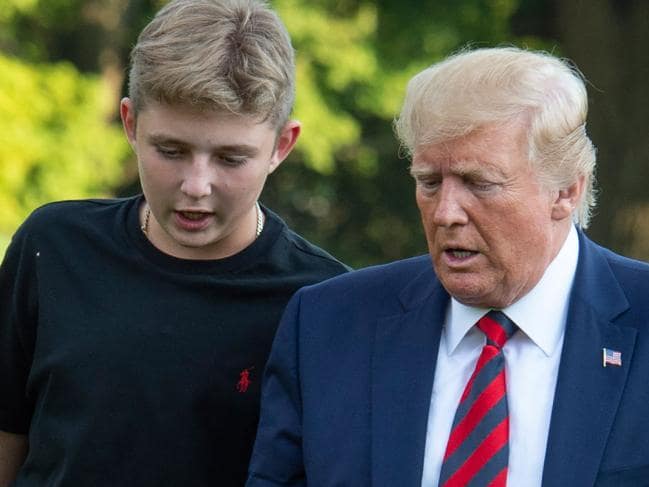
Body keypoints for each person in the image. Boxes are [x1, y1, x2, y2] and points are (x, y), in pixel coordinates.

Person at [247, 46, 649, 486]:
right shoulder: (330, 325)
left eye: (480, 183)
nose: (445, 213)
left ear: (566, 191)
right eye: (430, 182)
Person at [0, 0, 349, 485]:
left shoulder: (325, 302)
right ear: (130, 124)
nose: (196, 185)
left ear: (281, 146)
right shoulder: (53, 246)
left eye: (231, 158)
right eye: (171, 151)